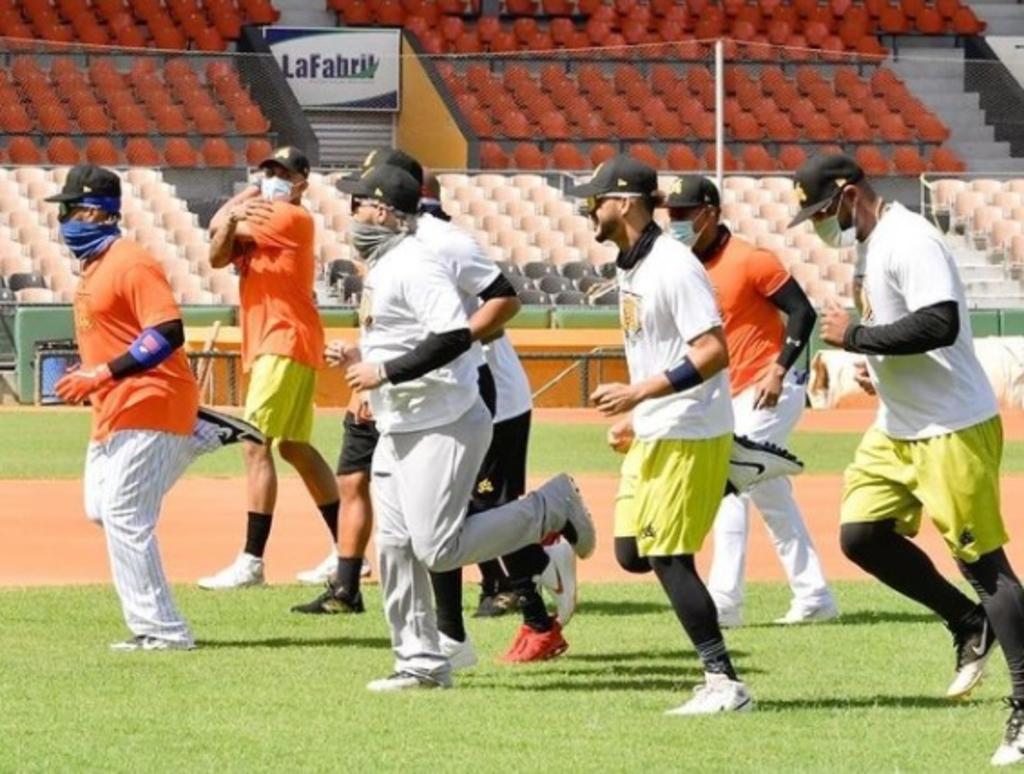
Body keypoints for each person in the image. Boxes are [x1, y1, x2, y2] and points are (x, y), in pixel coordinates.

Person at [295, 150, 578, 665]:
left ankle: (545, 529)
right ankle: (434, 649)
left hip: (464, 397)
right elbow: (400, 330)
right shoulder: (389, 256)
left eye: (361, 198)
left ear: (388, 204)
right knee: (407, 537)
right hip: (407, 402)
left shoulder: (432, 248)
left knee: (448, 533)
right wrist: (371, 365)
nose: (352, 210)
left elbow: (493, 307)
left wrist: (397, 367)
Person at [799, 153, 1024, 766]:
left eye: (821, 212)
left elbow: (940, 324)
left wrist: (858, 339)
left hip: (950, 426)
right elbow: (902, 329)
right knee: (861, 535)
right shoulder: (870, 245)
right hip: (898, 425)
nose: (819, 224)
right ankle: (966, 622)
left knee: (984, 566)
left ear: (849, 195)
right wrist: (877, 365)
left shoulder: (909, 238)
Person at [48, 164, 264, 650]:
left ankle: (164, 631)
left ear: (93, 212)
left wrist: (102, 373)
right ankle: (199, 430)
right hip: (114, 408)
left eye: (69, 210)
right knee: (100, 509)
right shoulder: (95, 267)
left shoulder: (131, 262)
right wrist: (97, 377)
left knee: (125, 514)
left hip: (152, 397)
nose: (63, 222)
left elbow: (168, 332)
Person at [573, 155, 753, 714]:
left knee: (669, 556)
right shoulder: (634, 264)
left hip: (688, 429)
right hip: (658, 427)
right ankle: (728, 475)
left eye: (595, 200)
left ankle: (724, 683)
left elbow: (713, 352)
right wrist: (638, 412)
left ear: (624, 203)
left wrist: (639, 394)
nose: (588, 210)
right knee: (633, 552)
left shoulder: (673, 266)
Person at [664, 175, 838, 628]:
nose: (676, 221)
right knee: (771, 495)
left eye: (684, 213)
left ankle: (725, 602)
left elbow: (802, 312)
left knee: (730, 482)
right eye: (671, 213)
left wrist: (778, 369)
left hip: (769, 389)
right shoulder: (684, 267)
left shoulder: (750, 259)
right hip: (729, 395)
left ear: (710, 212)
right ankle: (815, 595)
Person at [199, 146, 340, 590]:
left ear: (302, 184)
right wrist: (244, 203)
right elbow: (217, 251)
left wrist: (238, 210)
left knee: (253, 442)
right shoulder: (262, 216)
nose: (272, 180)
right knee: (294, 447)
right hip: (281, 341)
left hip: (283, 339)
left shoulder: (290, 217)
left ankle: (252, 560)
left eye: (282, 173)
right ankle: (348, 551)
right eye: (267, 172)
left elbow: (216, 226)